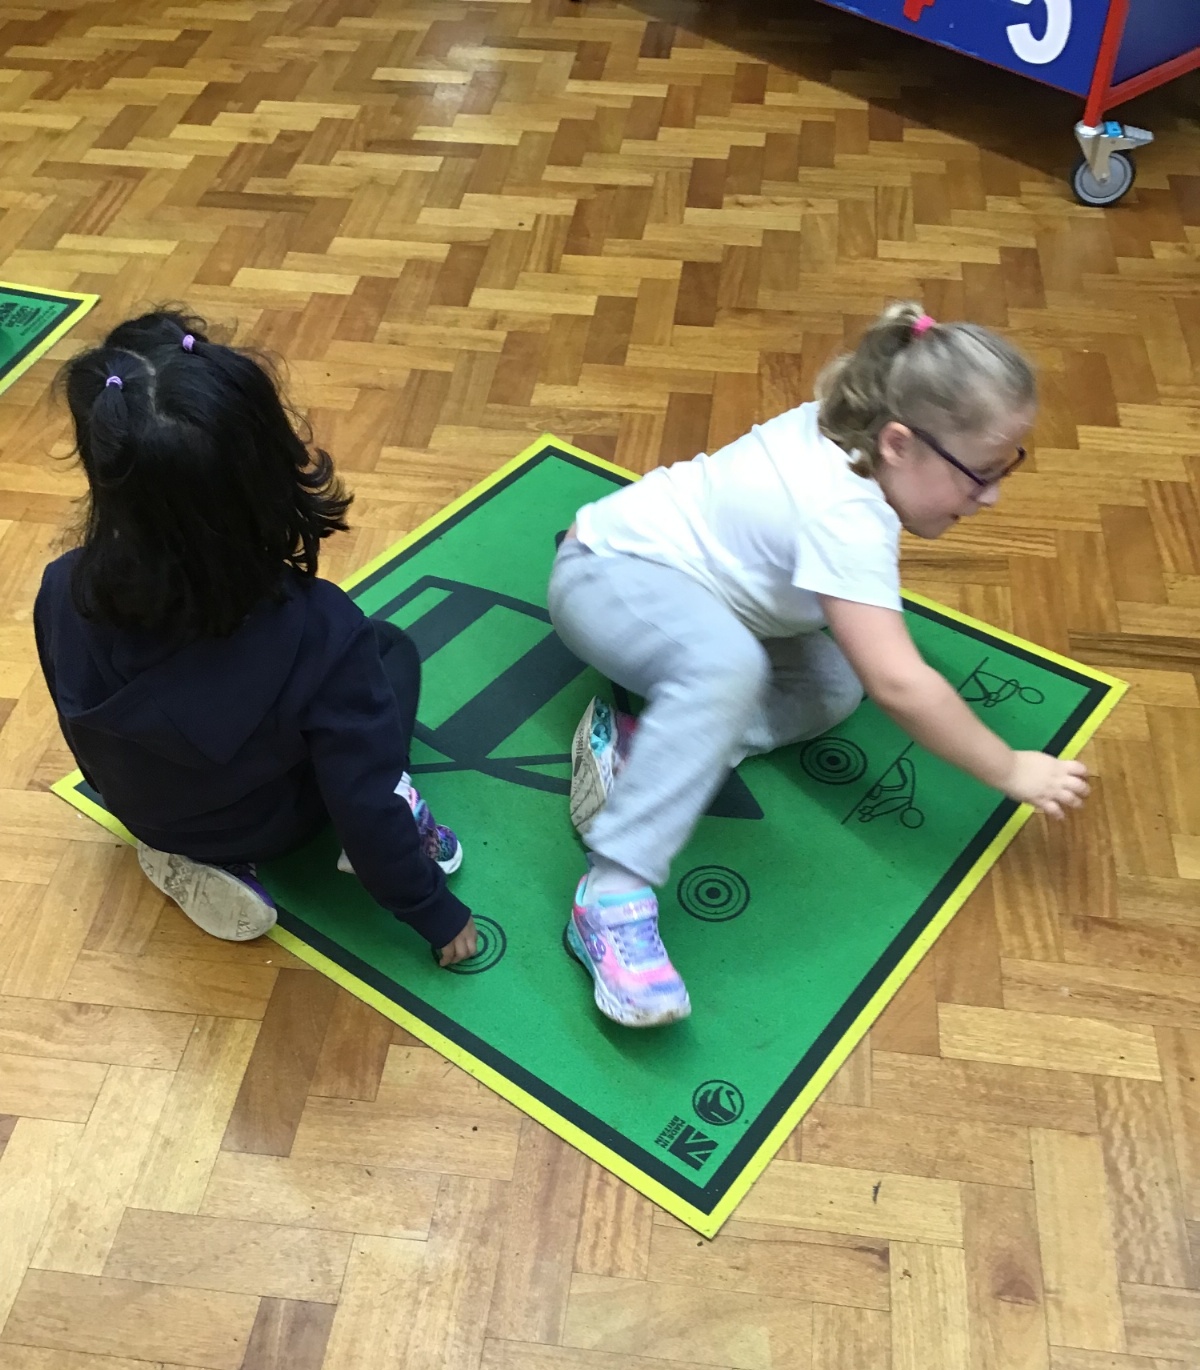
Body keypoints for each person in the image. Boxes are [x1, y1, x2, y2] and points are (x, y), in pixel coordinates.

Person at [549, 301, 1089, 1028]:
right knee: (730, 667)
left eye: (1005, 468)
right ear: (898, 443)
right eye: (979, 473)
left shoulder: (852, 428)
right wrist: (1010, 768)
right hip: (606, 578)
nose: (990, 496)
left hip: (709, 602)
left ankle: (641, 750)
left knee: (832, 686)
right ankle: (611, 893)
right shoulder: (846, 514)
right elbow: (899, 682)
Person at [34, 309, 477, 966]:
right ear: (268, 470)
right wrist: (432, 911)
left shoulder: (59, 587)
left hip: (144, 807)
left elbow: (75, 719)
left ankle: (187, 856)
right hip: (276, 823)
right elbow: (362, 794)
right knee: (392, 653)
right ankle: (324, 848)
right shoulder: (324, 631)